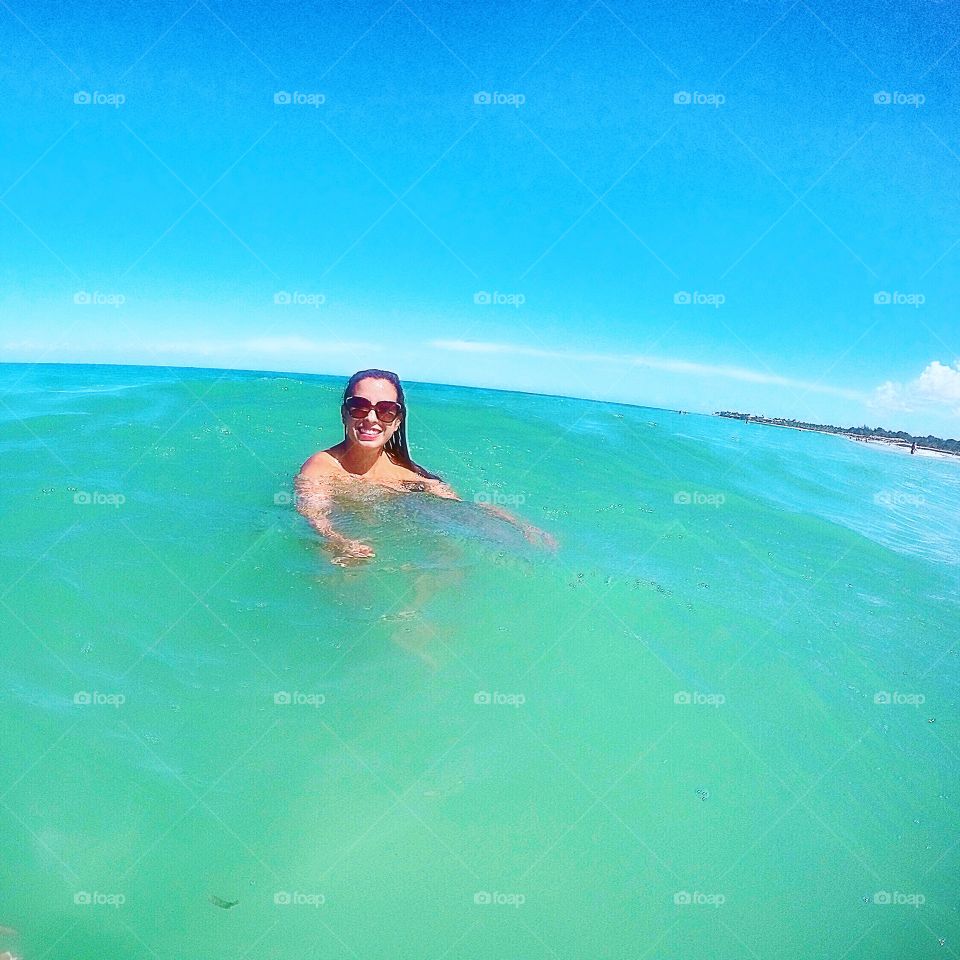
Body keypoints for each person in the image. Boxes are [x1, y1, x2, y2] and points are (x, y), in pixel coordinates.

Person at [295, 369, 556, 563]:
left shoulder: (407, 474)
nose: (371, 418)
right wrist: (337, 540)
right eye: (359, 407)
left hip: (403, 522)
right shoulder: (322, 467)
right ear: (344, 413)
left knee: (450, 558)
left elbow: (463, 507)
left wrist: (523, 526)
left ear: (397, 421)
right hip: (360, 544)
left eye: (385, 410)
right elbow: (314, 514)